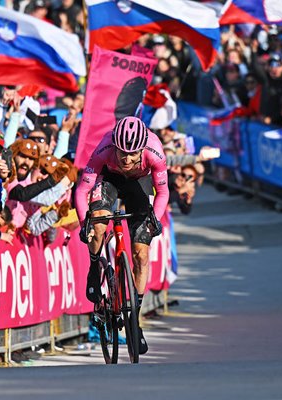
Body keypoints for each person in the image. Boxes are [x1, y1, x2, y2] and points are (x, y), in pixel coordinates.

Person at [75, 116, 169, 355]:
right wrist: (84, 221)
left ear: (142, 149)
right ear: (114, 146)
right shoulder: (104, 149)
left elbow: (163, 192)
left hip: (140, 183)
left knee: (141, 254)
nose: (126, 159)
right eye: (122, 153)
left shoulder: (155, 152)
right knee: (98, 225)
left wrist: (155, 219)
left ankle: (134, 321)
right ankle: (94, 268)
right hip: (110, 180)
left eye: (132, 154)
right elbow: (83, 189)